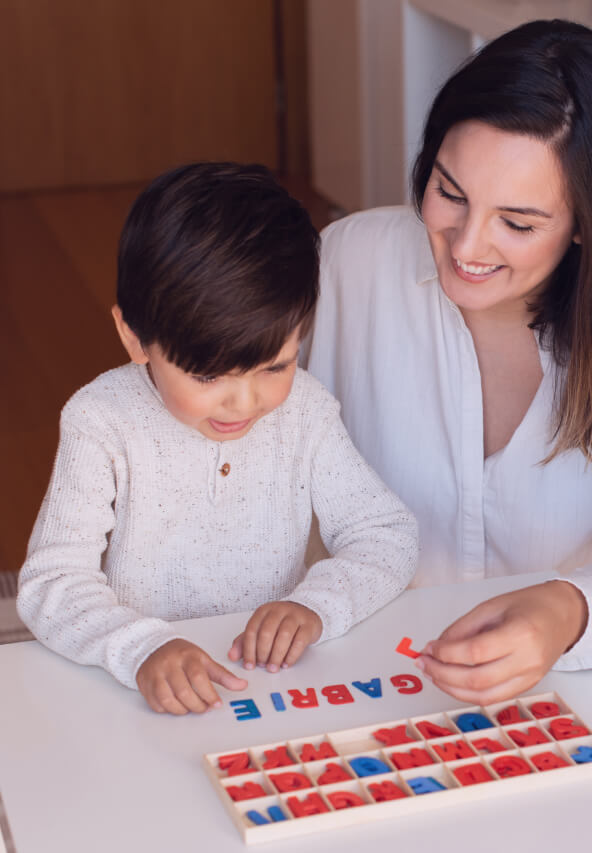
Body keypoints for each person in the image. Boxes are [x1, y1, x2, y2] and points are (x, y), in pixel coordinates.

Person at [305, 20, 592, 712]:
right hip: (374, 676)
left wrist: (566, 614)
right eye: (449, 191)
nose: (467, 244)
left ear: (588, 222)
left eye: (518, 222)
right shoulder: (348, 263)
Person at [17, 162, 417, 715]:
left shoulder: (304, 409)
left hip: (271, 684)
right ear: (135, 339)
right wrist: (140, 647)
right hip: (140, 688)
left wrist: (317, 605)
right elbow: (50, 584)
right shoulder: (100, 419)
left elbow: (387, 534)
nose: (244, 402)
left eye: (275, 366)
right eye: (208, 377)